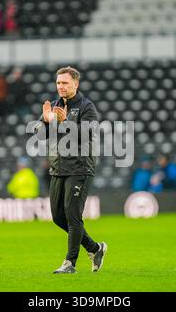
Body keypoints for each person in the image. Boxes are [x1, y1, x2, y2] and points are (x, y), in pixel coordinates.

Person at [35, 66, 107, 274]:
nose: (61, 86)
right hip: (58, 167)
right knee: (58, 217)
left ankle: (70, 263)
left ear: (76, 83)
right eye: (58, 83)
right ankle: (94, 248)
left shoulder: (87, 107)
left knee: (73, 215)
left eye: (65, 82)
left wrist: (65, 122)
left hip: (80, 167)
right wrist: (46, 121)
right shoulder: (55, 105)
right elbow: (40, 136)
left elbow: (86, 136)